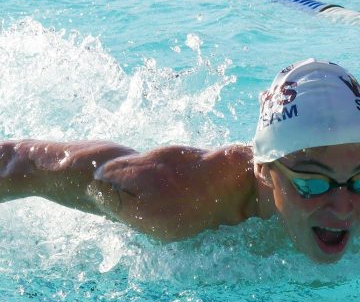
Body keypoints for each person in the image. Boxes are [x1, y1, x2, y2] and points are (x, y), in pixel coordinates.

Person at [1, 58, 359, 263]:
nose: (344, 207)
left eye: (358, 181)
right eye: (313, 184)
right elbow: (25, 163)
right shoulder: (167, 198)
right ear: (264, 169)